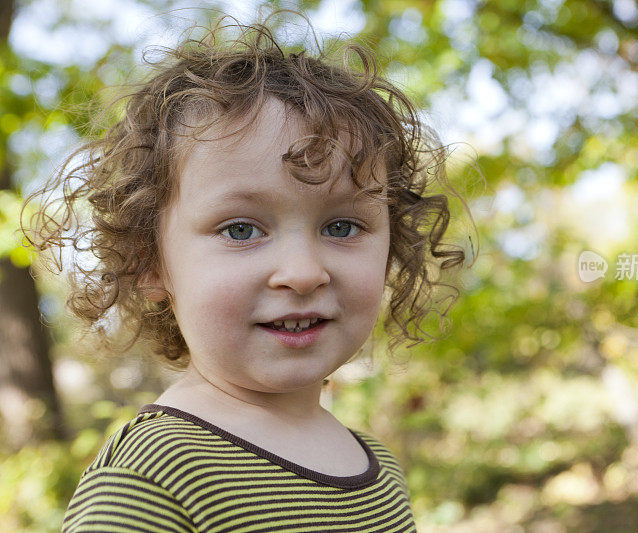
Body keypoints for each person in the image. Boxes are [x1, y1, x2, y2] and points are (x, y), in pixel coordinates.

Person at [22, 11, 474, 533]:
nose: (304, 273)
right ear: (149, 264)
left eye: (343, 226)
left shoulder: (376, 464)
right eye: (241, 230)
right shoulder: (156, 475)